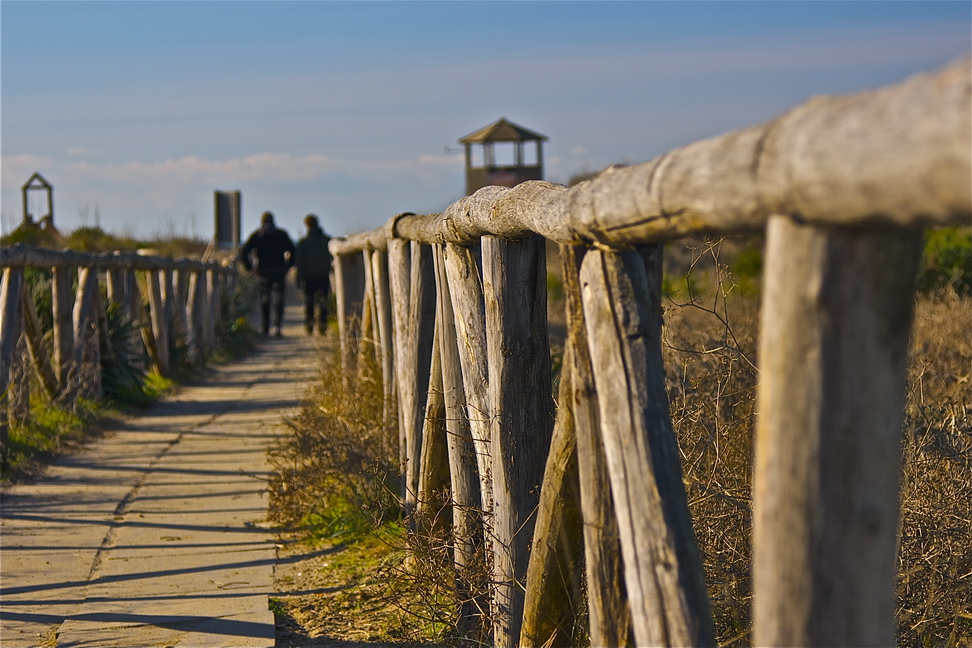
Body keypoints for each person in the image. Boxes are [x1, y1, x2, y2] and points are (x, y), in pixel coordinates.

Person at [240, 211, 295, 336]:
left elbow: (244, 252)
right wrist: (288, 265)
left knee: (265, 299)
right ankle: (277, 326)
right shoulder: (281, 235)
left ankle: (265, 327)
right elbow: (292, 250)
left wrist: (250, 268)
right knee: (279, 299)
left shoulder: (257, 235)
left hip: (263, 272)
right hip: (279, 271)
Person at [293, 214, 332, 336]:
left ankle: (309, 324)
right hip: (323, 275)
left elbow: (299, 262)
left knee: (309, 301)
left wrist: (298, 278)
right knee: (323, 301)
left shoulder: (303, 243)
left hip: (308, 276)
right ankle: (322, 325)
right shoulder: (327, 240)